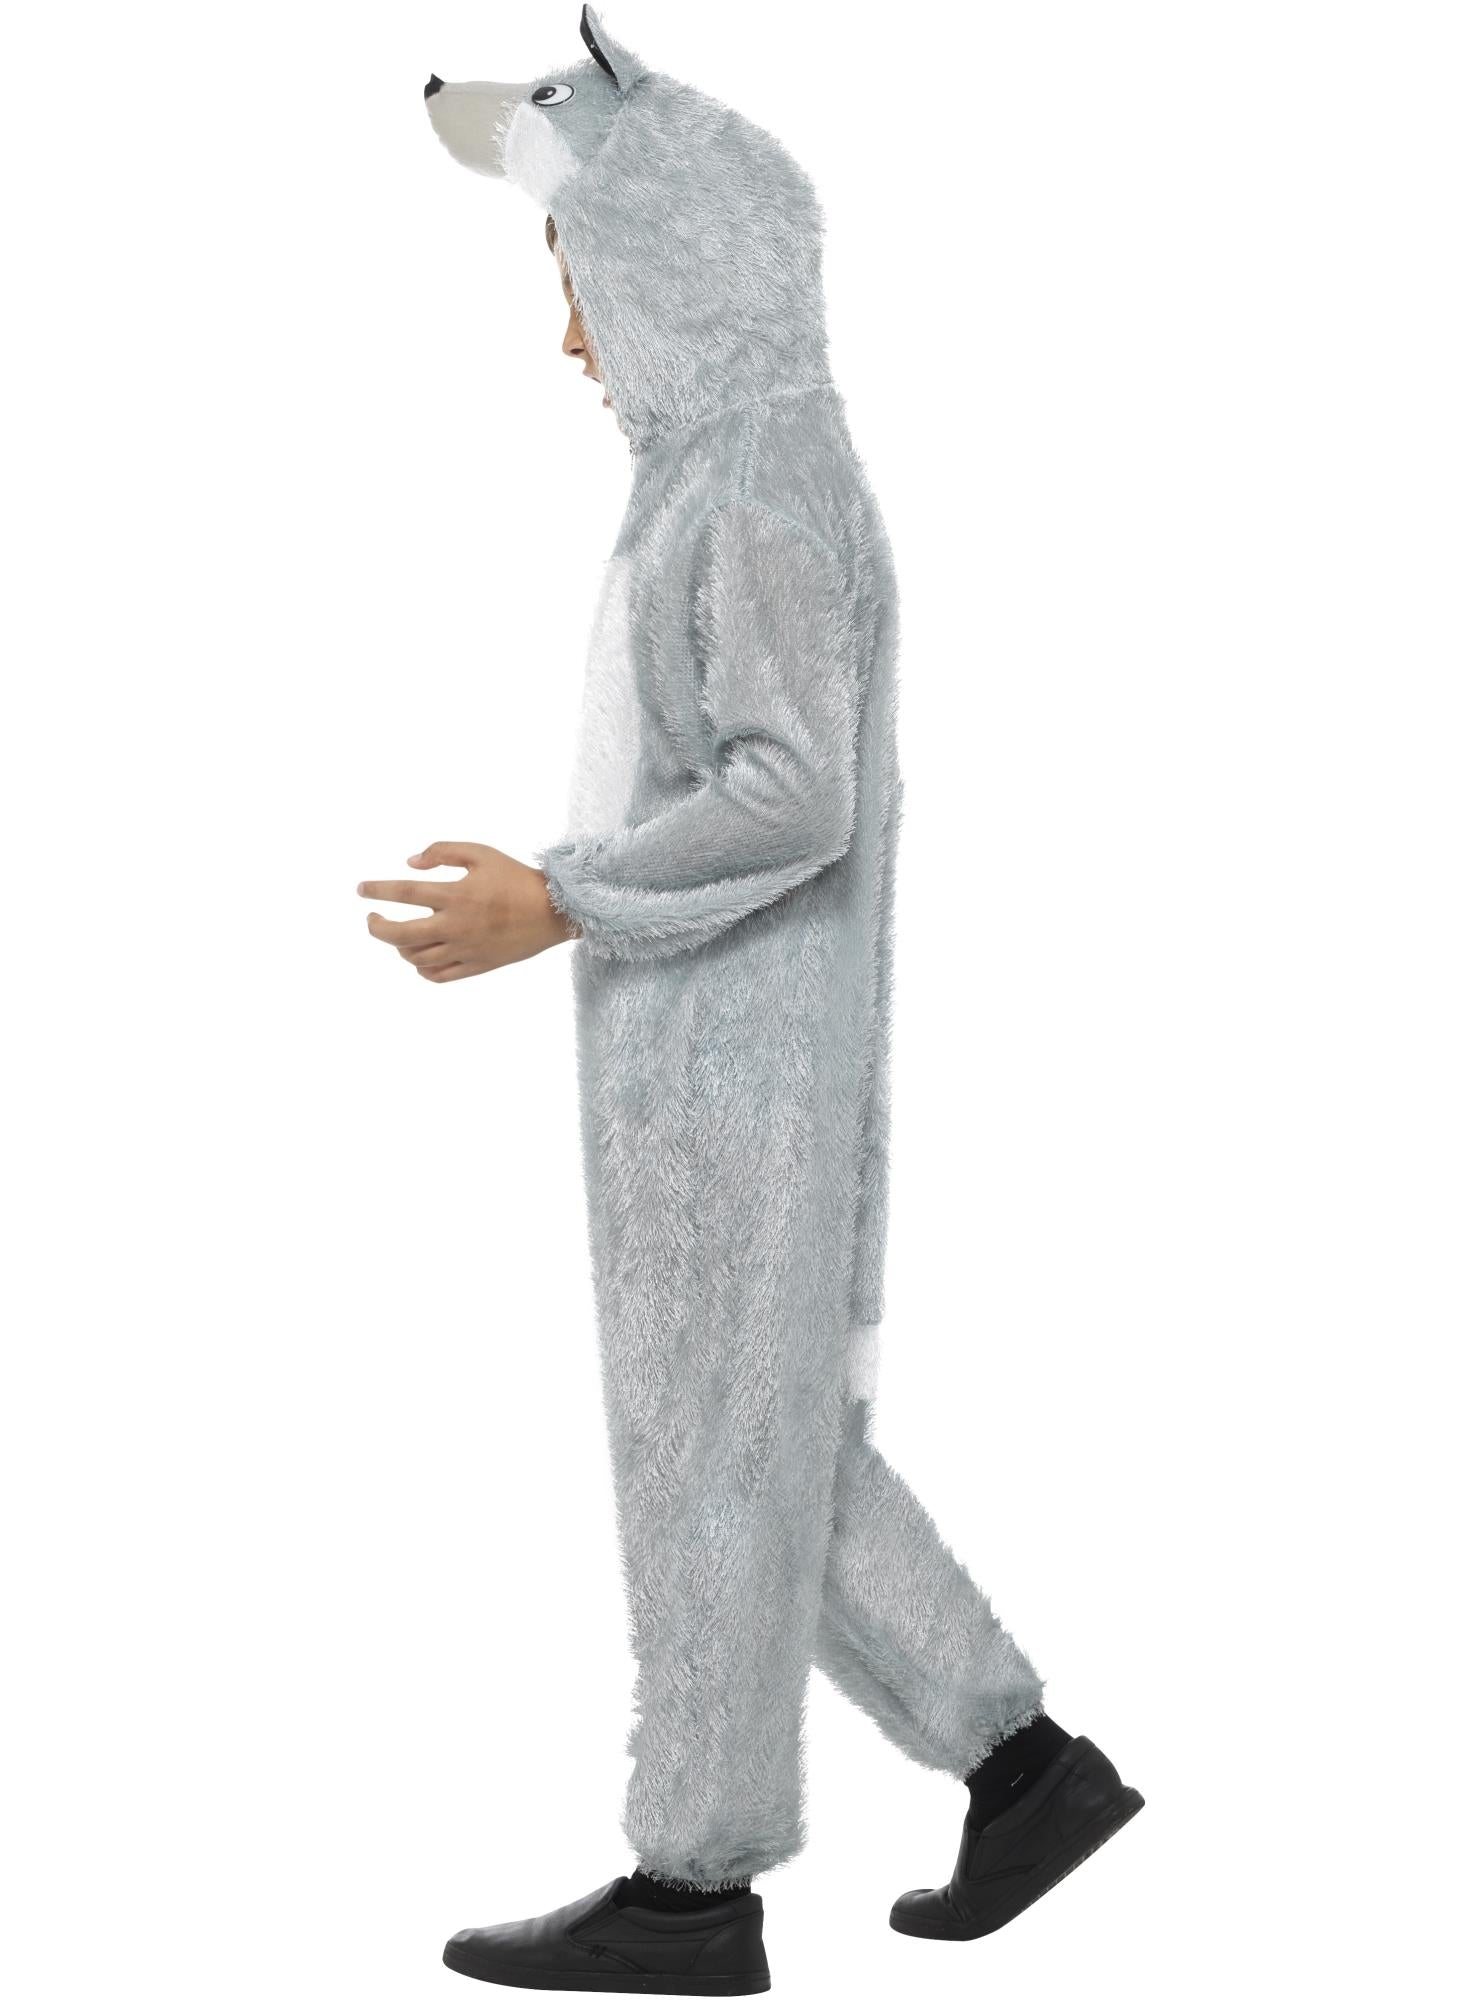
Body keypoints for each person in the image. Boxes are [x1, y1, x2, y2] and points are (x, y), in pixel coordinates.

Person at [359, 12, 1142, 1992]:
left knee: (715, 1457)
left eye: (580, 282)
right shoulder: (725, 472)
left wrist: (558, 898)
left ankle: (693, 1886)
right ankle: (1025, 1768)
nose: (566, 339)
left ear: (671, 268)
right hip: (711, 1053)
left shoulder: (760, 487)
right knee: (764, 1448)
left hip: (737, 1062)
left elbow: (793, 793)